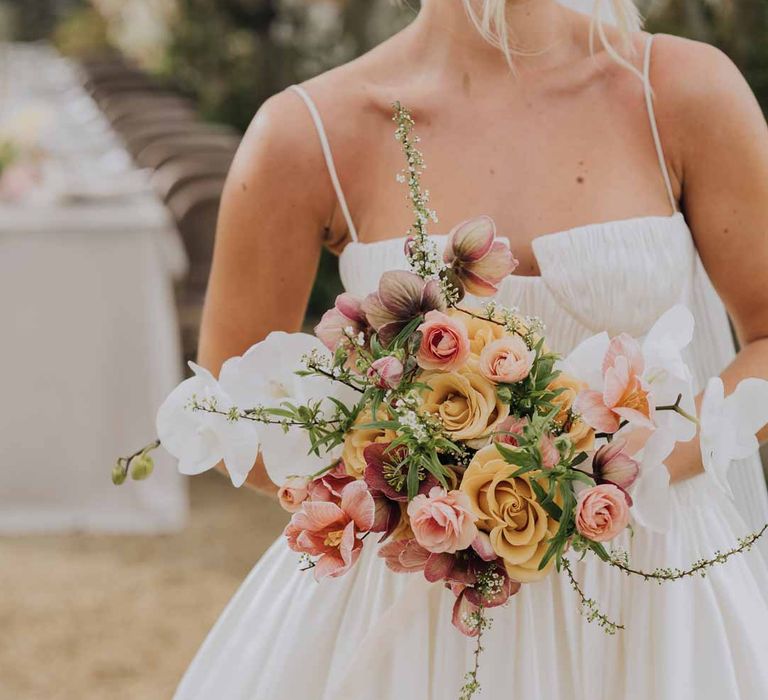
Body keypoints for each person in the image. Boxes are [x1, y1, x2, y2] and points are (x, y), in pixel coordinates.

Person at [175, 1, 768, 697]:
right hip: (416, 604)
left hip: (659, 598)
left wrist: (608, 479)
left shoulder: (678, 88)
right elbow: (223, 412)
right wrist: (415, 488)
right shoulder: (309, 129)